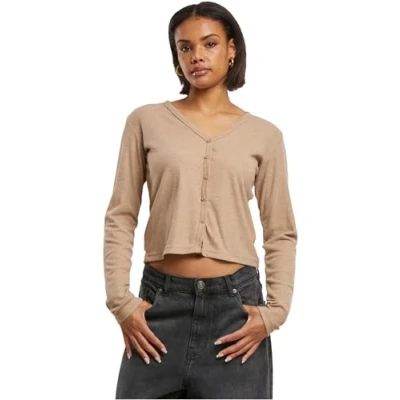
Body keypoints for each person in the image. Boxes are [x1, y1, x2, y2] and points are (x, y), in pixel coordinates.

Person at [103, 1, 298, 398]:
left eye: (209, 44)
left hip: (236, 316)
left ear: (231, 49)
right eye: (185, 47)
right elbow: (121, 214)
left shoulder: (265, 135)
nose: (196, 56)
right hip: (158, 310)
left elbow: (280, 231)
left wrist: (275, 312)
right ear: (176, 57)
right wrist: (120, 301)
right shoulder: (145, 121)